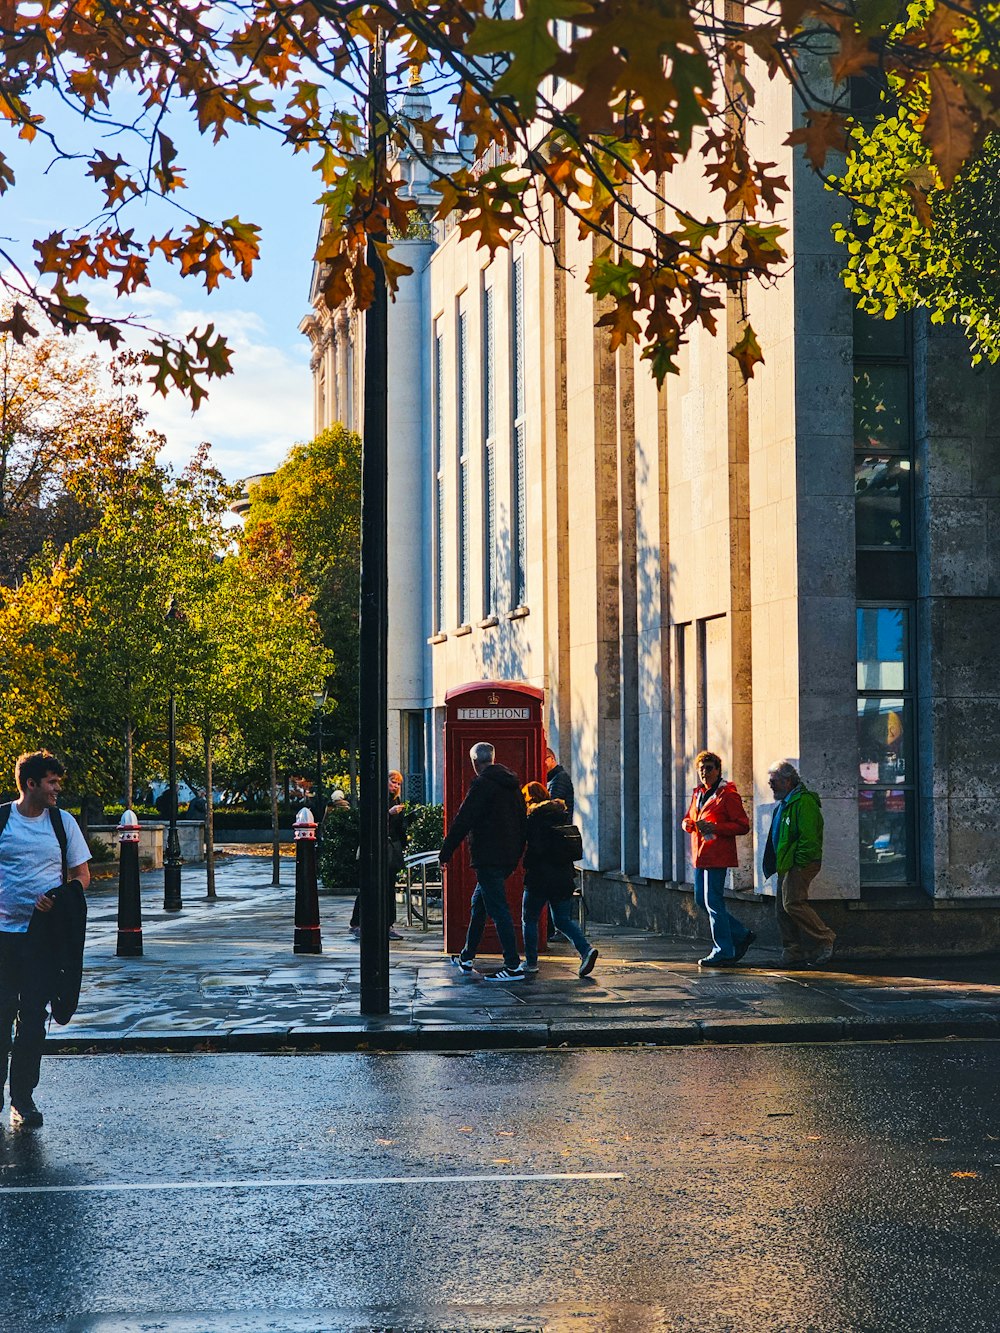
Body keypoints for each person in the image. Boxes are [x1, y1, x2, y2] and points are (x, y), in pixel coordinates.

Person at [0, 751, 91, 1128]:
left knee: (34, 1021)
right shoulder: (2, 819)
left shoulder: (62, 823)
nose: (57, 789)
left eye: (58, 782)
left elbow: (83, 876)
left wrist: (60, 896)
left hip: (43, 939)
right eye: (51, 782)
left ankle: (22, 1098)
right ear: (31, 784)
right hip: (3, 937)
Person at [441, 741, 528, 982]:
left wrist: (445, 853)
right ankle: (467, 957)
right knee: (479, 904)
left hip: (487, 857)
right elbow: (523, 821)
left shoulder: (482, 784)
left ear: (474, 763)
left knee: (499, 910)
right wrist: (517, 854)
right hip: (508, 857)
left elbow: (463, 820)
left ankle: (513, 966)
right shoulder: (512, 784)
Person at [682, 751, 754, 968]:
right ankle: (741, 934)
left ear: (718, 770)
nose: (705, 772)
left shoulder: (727, 794)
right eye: (701, 768)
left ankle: (723, 949)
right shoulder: (698, 793)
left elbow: (743, 825)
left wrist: (717, 828)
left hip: (717, 854)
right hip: (701, 854)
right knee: (701, 901)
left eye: (709, 768)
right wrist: (687, 824)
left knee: (713, 902)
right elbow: (689, 817)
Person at [520, 782, 597, 978]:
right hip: (563, 877)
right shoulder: (561, 816)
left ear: (530, 800)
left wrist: (525, 862)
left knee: (529, 918)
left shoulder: (534, 819)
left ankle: (530, 963)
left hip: (540, 878)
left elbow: (536, 850)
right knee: (562, 920)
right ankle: (586, 950)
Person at [763, 760, 834, 967]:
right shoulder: (785, 803)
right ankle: (792, 951)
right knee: (782, 910)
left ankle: (825, 937)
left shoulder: (804, 802)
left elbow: (809, 838)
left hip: (798, 864)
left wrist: (800, 864)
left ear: (788, 781)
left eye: (774, 781)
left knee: (792, 903)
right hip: (786, 864)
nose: (770, 785)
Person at [349, 771, 406, 942]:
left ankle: (388, 924)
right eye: (393, 782)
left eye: (398, 784)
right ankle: (357, 922)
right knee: (368, 885)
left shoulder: (396, 801)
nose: (395, 786)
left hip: (391, 849)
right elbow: (371, 822)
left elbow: (398, 829)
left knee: (389, 887)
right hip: (375, 848)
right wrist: (389, 813)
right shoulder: (378, 798)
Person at [544, 747, 574, 819]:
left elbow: (552, 806)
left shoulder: (560, 778)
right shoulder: (554, 778)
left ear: (552, 759)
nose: (542, 764)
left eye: (544, 760)